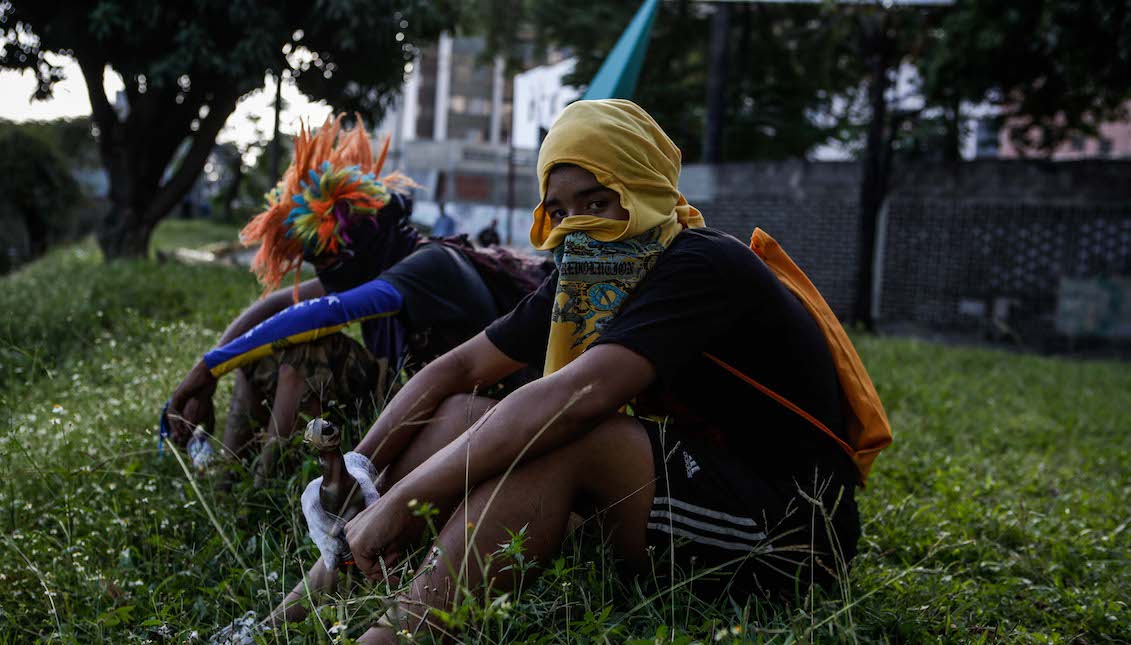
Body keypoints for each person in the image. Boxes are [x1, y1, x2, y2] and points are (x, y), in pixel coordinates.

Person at [321, 99, 892, 643]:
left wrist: (402, 502)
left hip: (793, 531)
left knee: (564, 436)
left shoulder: (700, 265)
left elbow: (575, 397)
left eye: (597, 203)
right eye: (561, 211)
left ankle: (391, 637)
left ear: (642, 188)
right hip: (693, 491)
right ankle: (295, 608)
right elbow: (465, 365)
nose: (577, 226)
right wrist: (361, 466)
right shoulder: (595, 272)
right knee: (462, 413)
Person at [166, 116, 547, 485]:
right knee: (259, 351)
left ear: (364, 239)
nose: (326, 274)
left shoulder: (428, 263)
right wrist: (209, 374)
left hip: (469, 412)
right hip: (406, 402)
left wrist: (208, 368)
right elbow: (274, 308)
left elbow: (329, 312)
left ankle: (262, 491)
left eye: (330, 259)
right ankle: (228, 477)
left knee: (307, 352)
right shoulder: (371, 266)